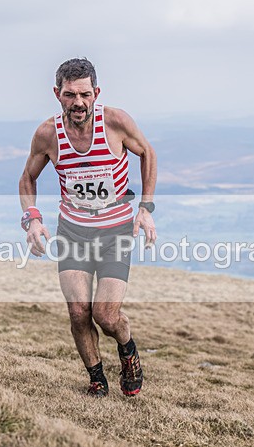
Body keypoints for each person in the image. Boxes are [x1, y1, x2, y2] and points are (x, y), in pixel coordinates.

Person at [18, 58, 157, 397]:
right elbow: (27, 178)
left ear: (96, 92)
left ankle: (127, 350)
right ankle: (97, 379)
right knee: (79, 313)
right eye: (69, 95)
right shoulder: (47, 134)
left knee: (106, 315)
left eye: (84, 94)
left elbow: (147, 153)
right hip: (74, 232)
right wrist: (32, 219)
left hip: (115, 232)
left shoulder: (115, 122)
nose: (77, 102)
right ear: (57, 94)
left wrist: (146, 208)